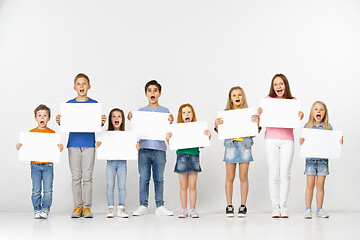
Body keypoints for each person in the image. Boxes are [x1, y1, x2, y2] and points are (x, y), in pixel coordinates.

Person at [56, 73, 106, 218]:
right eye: (79, 83)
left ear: (89, 86)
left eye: (84, 83)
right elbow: (65, 124)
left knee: (88, 176)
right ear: (74, 87)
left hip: (89, 143)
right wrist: (61, 121)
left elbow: (97, 125)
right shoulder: (69, 105)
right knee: (76, 176)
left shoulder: (94, 104)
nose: (82, 86)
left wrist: (101, 121)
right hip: (73, 144)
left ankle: (87, 207)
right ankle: (77, 207)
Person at [258, 74, 304, 218]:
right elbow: (260, 122)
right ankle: (275, 206)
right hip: (271, 139)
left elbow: (294, 122)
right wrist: (259, 115)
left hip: (287, 139)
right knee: (274, 174)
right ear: (272, 87)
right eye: (276, 84)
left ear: (286, 85)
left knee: (285, 174)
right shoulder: (267, 101)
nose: (278, 87)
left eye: (281, 84)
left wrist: (299, 116)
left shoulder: (293, 101)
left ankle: (283, 206)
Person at [128, 80, 174, 216]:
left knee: (159, 179)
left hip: (160, 150)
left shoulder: (165, 111)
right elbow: (136, 130)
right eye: (149, 90)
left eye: (155, 90)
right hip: (144, 149)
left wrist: (171, 122)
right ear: (146, 94)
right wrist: (131, 119)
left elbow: (170, 133)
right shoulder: (141, 112)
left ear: (159, 93)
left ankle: (160, 205)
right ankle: (143, 205)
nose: (152, 93)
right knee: (144, 178)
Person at [215, 86, 260, 217]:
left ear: (243, 97)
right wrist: (217, 125)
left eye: (239, 95)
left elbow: (254, 132)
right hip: (231, 145)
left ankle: (243, 205)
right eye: (234, 95)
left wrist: (257, 122)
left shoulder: (249, 113)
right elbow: (221, 132)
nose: (237, 97)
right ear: (230, 98)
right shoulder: (225, 113)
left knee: (243, 177)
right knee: (230, 177)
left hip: (245, 145)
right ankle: (229, 205)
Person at [16, 104, 63, 219]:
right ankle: (37, 209)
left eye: (45, 115)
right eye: (39, 115)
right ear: (35, 118)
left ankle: (45, 209)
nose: (42, 118)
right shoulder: (31, 133)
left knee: (47, 189)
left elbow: (55, 148)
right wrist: (20, 146)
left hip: (48, 165)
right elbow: (26, 147)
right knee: (36, 190)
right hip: (35, 165)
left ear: (49, 118)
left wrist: (59, 148)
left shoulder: (52, 133)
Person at [300, 101, 343, 219]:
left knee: (320, 185)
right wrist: (301, 142)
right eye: (316, 109)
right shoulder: (307, 126)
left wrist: (338, 143)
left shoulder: (328, 127)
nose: (318, 111)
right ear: (312, 113)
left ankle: (319, 209)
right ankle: (308, 209)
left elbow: (332, 144)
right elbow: (304, 143)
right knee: (310, 185)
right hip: (310, 160)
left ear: (325, 113)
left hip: (323, 161)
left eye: (321, 109)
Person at [166, 103, 211, 218]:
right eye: (184, 112)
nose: (187, 114)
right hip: (181, 157)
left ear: (192, 114)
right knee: (183, 186)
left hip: (194, 156)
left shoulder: (197, 128)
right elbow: (172, 144)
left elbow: (202, 145)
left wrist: (208, 136)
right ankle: (183, 209)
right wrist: (168, 138)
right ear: (181, 115)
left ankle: (192, 209)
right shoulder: (177, 129)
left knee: (192, 185)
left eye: (189, 112)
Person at [95, 108, 140, 218]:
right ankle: (110, 208)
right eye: (114, 116)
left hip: (122, 163)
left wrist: (136, 147)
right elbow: (100, 146)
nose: (116, 118)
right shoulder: (105, 135)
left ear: (123, 120)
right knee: (110, 185)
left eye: (119, 116)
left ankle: (121, 208)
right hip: (110, 163)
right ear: (111, 120)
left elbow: (131, 147)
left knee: (121, 186)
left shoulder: (127, 136)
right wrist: (98, 145)